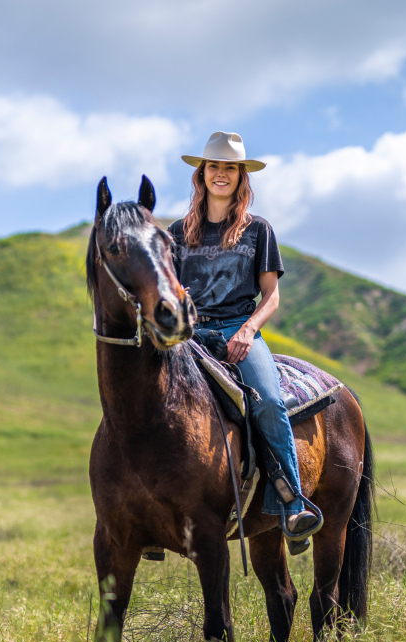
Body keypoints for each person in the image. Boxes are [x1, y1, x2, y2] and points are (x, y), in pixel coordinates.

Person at [168, 131, 318, 536]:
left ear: (240, 176)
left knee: (268, 400)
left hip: (239, 330)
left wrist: (249, 330)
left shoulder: (258, 230)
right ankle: (152, 511)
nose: (221, 174)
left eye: (229, 168)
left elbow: (271, 296)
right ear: (202, 174)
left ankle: (290, 502)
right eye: (214, 166)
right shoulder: (177, 234)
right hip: (192, 336)